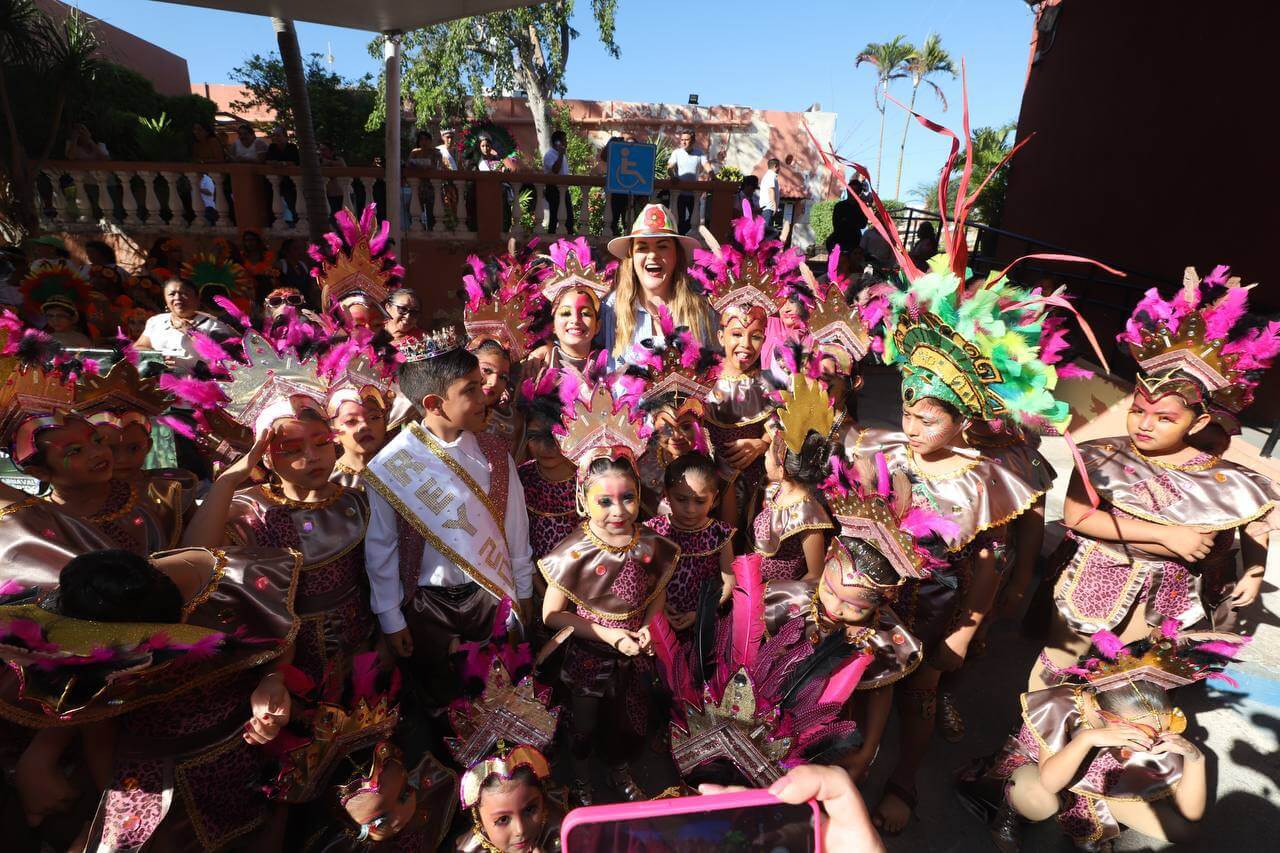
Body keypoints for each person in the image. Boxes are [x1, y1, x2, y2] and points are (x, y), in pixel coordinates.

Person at [1032, 265, 1280, 689]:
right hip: (1096, 576)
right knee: (1056, 666)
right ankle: (1024, 752)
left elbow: (1252, 520)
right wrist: (1167, 537)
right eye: (1137, 410)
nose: (1144, 425)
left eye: (1164, 418)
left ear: (1199, 422)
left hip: (1166, 595)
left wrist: (1253, 572)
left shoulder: (1227, 478)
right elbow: (1077, 518)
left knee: (1126, 682)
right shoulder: (1100, 454)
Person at [362, 328, 535, 707]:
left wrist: (522, 596)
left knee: (496, 695)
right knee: (437, 698)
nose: (485, 394)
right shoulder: (393, 465)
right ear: (434, 403)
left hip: (488, 599)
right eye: (470, 389)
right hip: (426, 606)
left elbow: (515, 532)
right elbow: (382, 548)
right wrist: (391, 617)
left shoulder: (494, 455)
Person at [958, 627, 1232, 851]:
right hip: (1043, 772)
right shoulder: (1059, 705)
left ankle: (1092, 820)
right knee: (1040, 800)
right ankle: (1010, 812)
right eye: (1145, 732)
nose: (1152, 738)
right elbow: (1051, 781)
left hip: (1100, 781)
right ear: (1109, 717)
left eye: (1160, 727)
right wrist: (1089, 738)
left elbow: (1191, 816)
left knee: (1183, 831)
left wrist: (1196, 758)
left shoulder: (1151, 720)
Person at [539, 381, 679, 803]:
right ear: (583, 501)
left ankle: (619, 771)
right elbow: (552, 616)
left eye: (628, 498)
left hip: (635, 655)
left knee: (626, 722)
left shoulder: (652, 544)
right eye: (605, 502)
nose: (619, 511)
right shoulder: (573, 553)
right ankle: (582, 778)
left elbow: (655, 597)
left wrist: (650, 630)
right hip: (588, 658)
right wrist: (607, 634)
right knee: (584, 723)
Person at [601, 203, 716, 367]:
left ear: (677, 255)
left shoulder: (702, 311)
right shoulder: (609, 309)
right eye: (642, 247)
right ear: (631, 257)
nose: (653, 255)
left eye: (662, 246)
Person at [753, 380, 836, 582]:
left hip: (784, 600)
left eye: (768, 454)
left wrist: (777, 597)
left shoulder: (808, 515)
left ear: (782, 468)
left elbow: (815, 574)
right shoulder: (776, 491)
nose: (764, 457)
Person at [644, 453, 735, 635]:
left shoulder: (719, 533)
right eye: (681, 499)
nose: (690, 509)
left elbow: (730, 581)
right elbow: (643, 578)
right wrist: (658, 607)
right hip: (659, 621)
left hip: (704, 622)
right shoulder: (653, 531)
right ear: (667, 495)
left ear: (715, 499)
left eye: (700, 501)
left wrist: (702, 611)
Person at [456, 746, 563, 853]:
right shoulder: (467, 850)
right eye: (503, 819)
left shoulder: (562, 829)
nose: (520, 830)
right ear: (480, 822)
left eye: (530, 810)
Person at [133, 277, 234, 370]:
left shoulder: (215, 325)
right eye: (171, 294)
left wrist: (192, 332)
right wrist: (157, 357)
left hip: (200, 385)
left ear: (197, 298)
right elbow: (139, 347)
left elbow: (224, 358)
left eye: (183, 293)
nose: (177, 297)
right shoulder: (156, 321)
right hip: (159, 384)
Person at [666, 130, 711, 234]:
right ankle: (680, 236)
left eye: (686, 140)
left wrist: (714, 177)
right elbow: (669, 167)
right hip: (679, 194)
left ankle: (683, 235)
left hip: (693, 194)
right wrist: (672, 176)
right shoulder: (676, 153)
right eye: (682, 140)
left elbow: (707, 165)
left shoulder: (699, 153)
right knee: (679, 219)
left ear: (693, 141)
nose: (684, 142)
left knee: (694, 219)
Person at [827, 180, 869, 254]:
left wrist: (847, 220)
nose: (852, 193)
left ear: (859, 192)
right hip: (839, 238)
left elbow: (863, 224)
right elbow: (836, 224)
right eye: (850, 190)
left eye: (855, 190)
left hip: (854, 240)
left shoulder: (862, 207)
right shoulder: (840, 206)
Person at [543, 130, 573, 234]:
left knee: (569, 217)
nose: (567, 143)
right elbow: (555, 170)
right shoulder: (549, 155)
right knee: (554, 217)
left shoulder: (562, 155)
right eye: (565, 140)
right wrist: (560, 155)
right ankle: (550, 239)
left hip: (564, 189)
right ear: (557, 143)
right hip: (553, 189)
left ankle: (569, 239)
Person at [318, 140, 348, 217]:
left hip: (340, 193)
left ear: (331, 151)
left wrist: (329, 162)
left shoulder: (339, 160)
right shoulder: (318, 162)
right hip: (327, 194)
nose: (322, 152)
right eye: (320, 150)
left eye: (324, 149)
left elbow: (344, 169)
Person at [759, 157, 781, 229]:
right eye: (779, 166)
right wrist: (774, 206)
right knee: (765, 231)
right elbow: (771, 190)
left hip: (767, 208)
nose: (780, 168)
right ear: (775, 166)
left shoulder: (768, 176)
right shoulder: (771, 175)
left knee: (766, 230)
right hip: (768, 208)